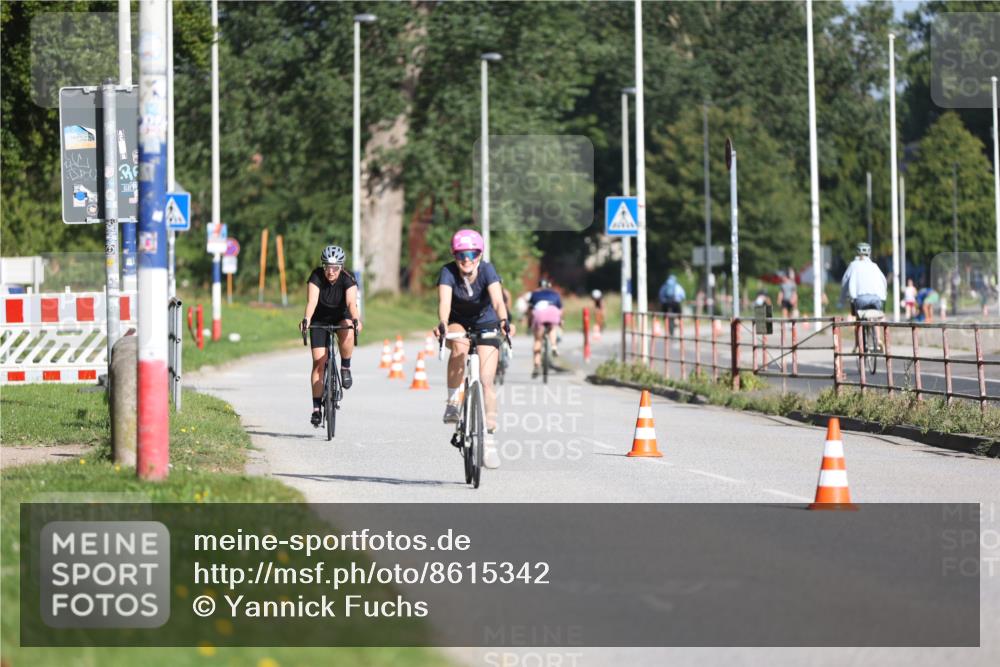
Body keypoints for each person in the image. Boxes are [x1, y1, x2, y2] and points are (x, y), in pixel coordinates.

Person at [436, 229, 513, 469]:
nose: (466, 259)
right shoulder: (448, 272)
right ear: (454, 254)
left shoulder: (487, 270)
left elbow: (499, 301)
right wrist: (442, 324)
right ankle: (452, 401)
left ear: (479, 254)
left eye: (472, 253)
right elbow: (444, 303)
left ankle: (488, 440)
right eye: (461, 254)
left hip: (486, 320)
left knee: (487, 382)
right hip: (458, 320)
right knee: (459, 347)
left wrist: (504, 320)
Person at [300, 245, 362, 427]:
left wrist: (356, 319)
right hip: (319, 320)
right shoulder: (316, 276)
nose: (331, 271)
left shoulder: (348, 279)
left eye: (335, 268)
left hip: (341, 317)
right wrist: (306, 319)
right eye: (327, 266)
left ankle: (345, 367)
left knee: (349, 327)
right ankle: (316, 409)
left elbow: (351, 303)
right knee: (319, 363)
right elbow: (311, 301)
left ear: (341, 267)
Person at [841, 242, 887, 346]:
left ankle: (858, 344)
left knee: (858, 319)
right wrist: (884, 298)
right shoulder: (875, 266)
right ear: (869, 253)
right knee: (875, 317)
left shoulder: (853, 265)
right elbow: (883, 281)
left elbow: (844, 282)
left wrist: (842, 300)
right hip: (877, 299)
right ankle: (878, 339)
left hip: (860, 300)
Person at [528, 279, 563, 378]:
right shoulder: (555, 294)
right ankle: (554, 346)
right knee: (552, 328)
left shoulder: (534, 294)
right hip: (553, 312)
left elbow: (530, 311)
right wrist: (560, 321)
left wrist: (530, 323)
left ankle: (537, 365)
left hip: (540, 314)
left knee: (538, 340)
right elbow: (560, 310)